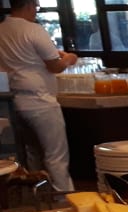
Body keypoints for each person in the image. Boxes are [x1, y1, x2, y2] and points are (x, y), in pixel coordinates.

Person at [0, 0, 77, 192]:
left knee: (31, 154)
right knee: (56, 155)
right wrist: (69, 58)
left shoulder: (2, 29)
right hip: (40, 100)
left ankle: (39, 195)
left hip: (14, 100)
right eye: (36, 7)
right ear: (29, 5)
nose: (36, 11)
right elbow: (55, 66)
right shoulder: (34, 29)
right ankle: (63, 196)